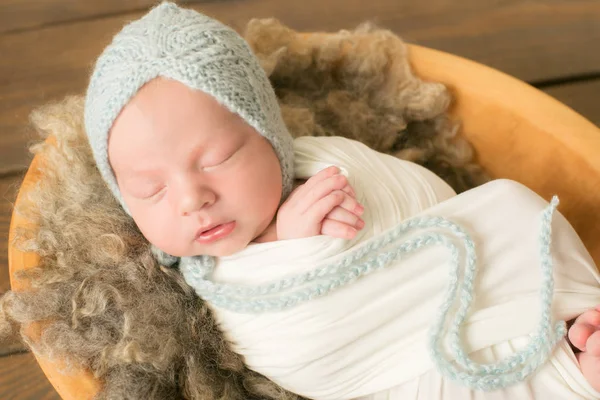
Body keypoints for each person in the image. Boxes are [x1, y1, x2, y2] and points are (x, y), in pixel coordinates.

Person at [84, 2, 600, 398]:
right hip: (389, 369)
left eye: (217, 158)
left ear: (270, 134)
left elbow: (431, 202)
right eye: (151, 189)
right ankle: (568, 376)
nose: (193, 198)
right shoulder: (207, 282)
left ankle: (569, 331)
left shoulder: (332, 164)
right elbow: (294, 343)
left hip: (482, 280)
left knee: (514, 206)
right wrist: (294, 246)